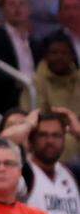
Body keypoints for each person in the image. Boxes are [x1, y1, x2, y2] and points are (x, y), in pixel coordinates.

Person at [23, 112, 80, 214]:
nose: (50, 141)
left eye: (56, 135)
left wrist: (78, 131)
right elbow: (3, 144)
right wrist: (27, 125)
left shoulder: (72, 173)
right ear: (31, 139)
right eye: (43, 135)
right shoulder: (24, 172)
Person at [27, 36, 80, 165]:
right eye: (54, 53)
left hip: (76, 130)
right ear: (45, 56)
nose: (59, 57)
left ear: (72, 56)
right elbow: (33, 115)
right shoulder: (36, 82)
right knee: (62, 140)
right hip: (46, 131)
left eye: (64, 53)